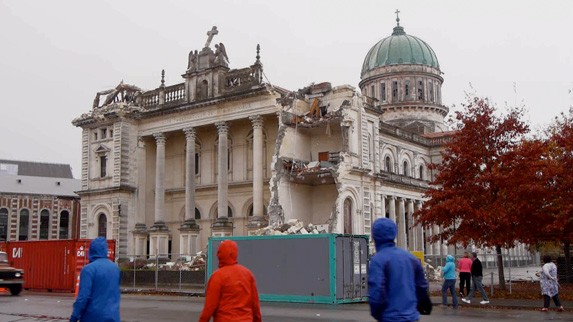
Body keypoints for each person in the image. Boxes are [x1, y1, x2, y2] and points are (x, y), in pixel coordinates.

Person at [368, 218, 431, 321]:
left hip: (390, 317)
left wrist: (378, 314)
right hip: (411, 316)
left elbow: (377, 292)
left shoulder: (378, 259)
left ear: (375, 236)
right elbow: (421, 286)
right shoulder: (410, 258)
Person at [199, 240, 262, 322]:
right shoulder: (247, 274)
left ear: (219, 255)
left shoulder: (217, 276)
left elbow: (209, 307)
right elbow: (255, 305)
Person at [70, 237, 120, 322]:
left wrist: (74, 316)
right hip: (113, 316)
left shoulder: (88, 269)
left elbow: (83, 297)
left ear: (91, 250)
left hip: (92, 317)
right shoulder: (115, 268)